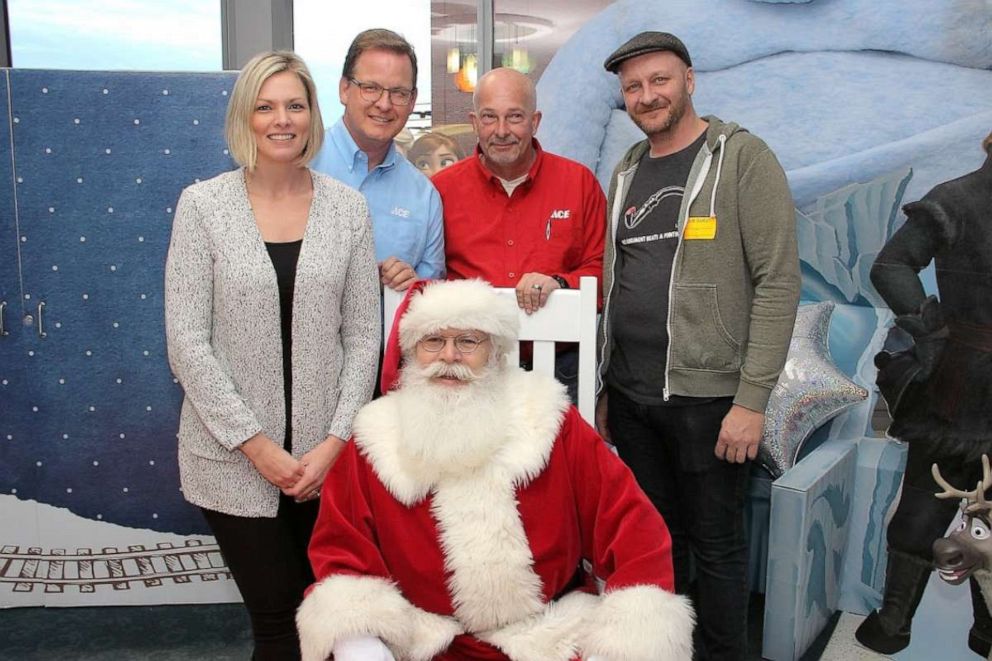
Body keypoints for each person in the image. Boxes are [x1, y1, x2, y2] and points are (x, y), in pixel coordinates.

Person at [296, 278, 695, 661]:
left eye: (468, 341)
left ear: (496, 352)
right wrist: (361, 641)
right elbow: (342, 549)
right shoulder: (375, 438)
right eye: (432, 341)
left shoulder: (548, 420)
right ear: (411, 352)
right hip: (423, 640)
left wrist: (625, 637)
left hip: (548, 635)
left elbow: (630, 524)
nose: (449, 357)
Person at [164, 51, 380, 660]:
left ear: (313, 116)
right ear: (245, 117)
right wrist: (258, 448)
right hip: (231, 461)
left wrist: (335, 441)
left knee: (331, 619)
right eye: (265, 106)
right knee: (279, 624)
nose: (281, 119)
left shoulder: (347, 208)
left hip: (325, 462)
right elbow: (187, 342)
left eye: (294, 105)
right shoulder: (203, 206)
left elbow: (364, 334)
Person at [596, 32, 800, 660]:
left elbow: (778, 281)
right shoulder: (629, 166)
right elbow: (617, 276)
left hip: (711, 401)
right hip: (633, 397)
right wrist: (607, 387)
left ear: (689, 79)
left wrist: (752, 401)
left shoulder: (742, 158)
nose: (646, 95)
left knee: (717, 547)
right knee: (660, 540)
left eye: (658, 80)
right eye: (633, 87)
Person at [855, 131, 992, 656]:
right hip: (957, 382)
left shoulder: (954, 198)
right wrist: (930, 332)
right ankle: (893, 623)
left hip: (957, 376)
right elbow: (890, 264)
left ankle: (985, 630)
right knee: (922, 508)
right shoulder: (955, 199)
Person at [432, 67, 605, 400]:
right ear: (473, 122)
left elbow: (603, 268)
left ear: (535, 121)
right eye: (489, 117)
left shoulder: (579, 183)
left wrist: (561, 282)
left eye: (514, 117)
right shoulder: (440, 190)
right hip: (470, 370)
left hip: (562, 368)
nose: (501, 131)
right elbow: (428, 276)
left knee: (562, 455)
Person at [312, 28, 444, 292]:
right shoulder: (300, 163)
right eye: (370, 88)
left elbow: (431, 296)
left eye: (398, 93)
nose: (384, 104)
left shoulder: (424, 197)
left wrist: (413, 286)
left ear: (412, 100)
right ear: (344, 89)